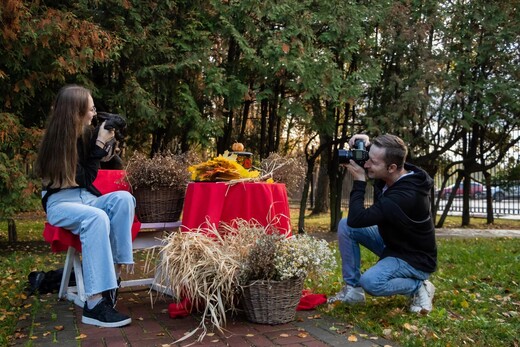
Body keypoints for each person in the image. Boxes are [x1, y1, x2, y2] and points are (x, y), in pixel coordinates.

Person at [35, 85, 135, 327]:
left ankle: (115, 278)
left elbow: (96, 174)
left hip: (87, 198)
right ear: (76, 112)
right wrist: (98, 148)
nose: (93, 114)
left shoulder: (88, 134)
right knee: (96, 217)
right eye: (90, 109)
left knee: (124, 200)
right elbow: (83, 177)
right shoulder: (55, 143)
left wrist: (107, 145)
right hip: (60, 203)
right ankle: (94, 303)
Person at [329, 134, 437, 313]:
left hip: (413, 258)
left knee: (371, 282)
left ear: (392, 167)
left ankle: (418, 286)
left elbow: (358, 220)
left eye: (373, 162)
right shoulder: (392, 173)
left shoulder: (404, 196)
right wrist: (365, 142)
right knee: (345, 225)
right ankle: (353, 290)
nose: (367, 164)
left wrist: (359, 181)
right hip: (393, 243)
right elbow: (389, 153)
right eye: (368, 158)